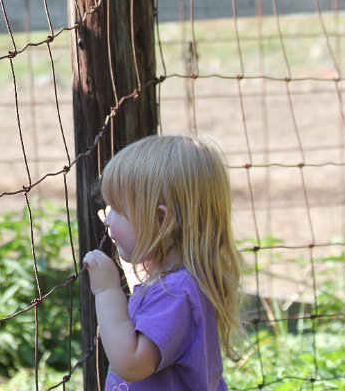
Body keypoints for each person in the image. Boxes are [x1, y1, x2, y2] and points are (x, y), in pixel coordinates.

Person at [82, 134, 243, 390]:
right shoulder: (181, 280)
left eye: (117, 210)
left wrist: (107, 290)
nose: (106, 219)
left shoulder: (175, 293)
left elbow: (131, 364)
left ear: (161, 220)